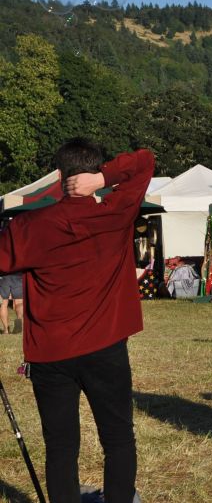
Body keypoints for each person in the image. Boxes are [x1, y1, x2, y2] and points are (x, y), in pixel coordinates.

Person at [0, 139, 153, 503]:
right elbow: (145, 161)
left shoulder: (31, 225)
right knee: (117, 436)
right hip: (105, 347)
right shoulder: (115, 213)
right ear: (93, 173)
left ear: (58, 176)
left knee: (61, 445)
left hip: (51, 353)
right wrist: (105, 178)